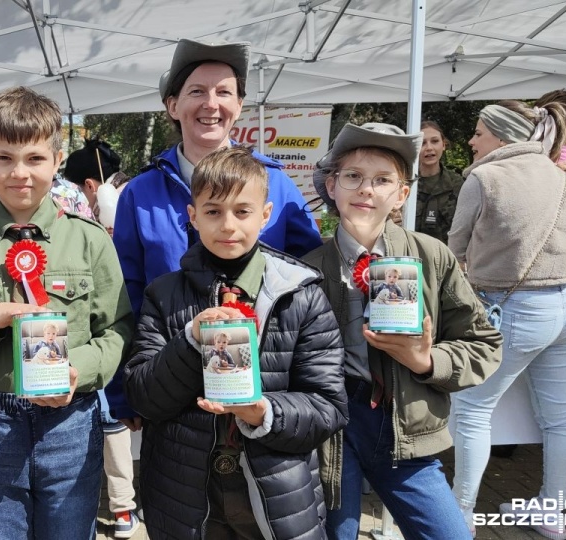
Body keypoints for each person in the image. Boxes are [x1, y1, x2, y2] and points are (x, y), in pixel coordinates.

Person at [0, 86, 134, 540]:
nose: (20, 174)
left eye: (34, 159)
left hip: (70, 420)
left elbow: (118, 329)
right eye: (4, 158)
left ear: (56, 160)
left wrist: (81, 369)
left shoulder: (90, 241)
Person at [124, 146, 346, 540]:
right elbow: (143, 397)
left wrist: (264, 412)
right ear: (192, 217)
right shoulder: (163, 295)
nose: (228, 225)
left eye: (242, 211)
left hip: (278, 490)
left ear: (266, 215)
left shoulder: (303, 294)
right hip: (184, 492)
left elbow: (328, 406)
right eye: (212, 211)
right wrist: (189, 342)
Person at [302, 122, 502, 540]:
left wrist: (427, 360)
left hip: (406, 428)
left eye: (382, 180)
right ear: (332, 185)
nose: (366, 190)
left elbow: (483, 344)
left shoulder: (431, 256)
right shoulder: (307, 268)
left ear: (401, 194)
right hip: (333, 433)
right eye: (353, 177)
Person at [112, 38, 322, 433]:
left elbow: (310, 280)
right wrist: (124, 391)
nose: (211, 104)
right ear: (172, 106)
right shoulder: (140, 193)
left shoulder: (275, 184)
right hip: (172, 387)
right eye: (197, 91)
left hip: (265, 388)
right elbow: (126, 295)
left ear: (239, 106)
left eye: (224, 92)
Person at [448, 100, 566, 539]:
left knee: (471, 410)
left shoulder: (486, 178)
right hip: (564, 306)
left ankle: (462, 513)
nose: (471, 140)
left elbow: (455, 249)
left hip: (510, 307)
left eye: (479, 131)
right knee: (559, 417)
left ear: (503, 137)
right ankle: (552, 511)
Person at [63, 139, 142, 538]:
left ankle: (123, 506)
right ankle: (125, 506)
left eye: (80, 190)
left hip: (121, 320)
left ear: (91, 185)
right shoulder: (135, 190)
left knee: (113, 418)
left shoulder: (113, 200)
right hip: (123, 321)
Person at [415, 120, 463, 241]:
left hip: (448, 256)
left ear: (443, 145)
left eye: (435, 141)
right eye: (422, 143)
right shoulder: (404, 183)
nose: (429, 148)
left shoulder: (458, 184)